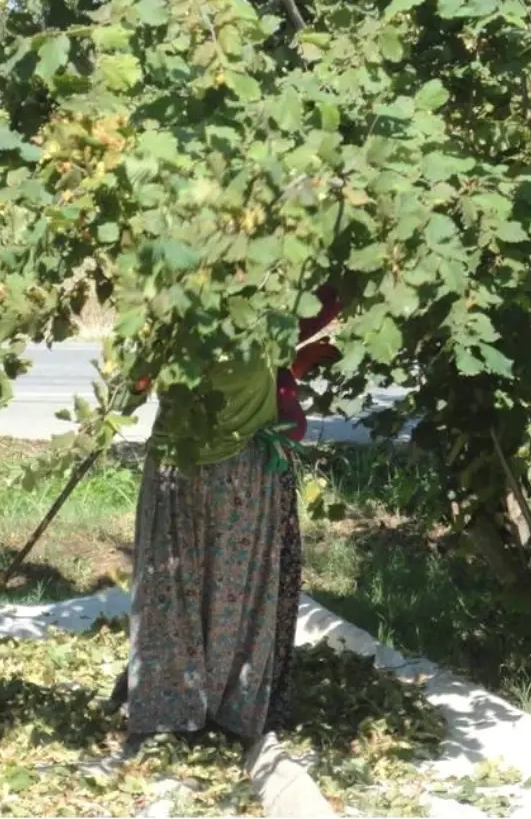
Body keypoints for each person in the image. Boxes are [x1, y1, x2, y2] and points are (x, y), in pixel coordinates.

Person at [111, 286, 340, 747]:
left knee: (170, 591)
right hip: (241, 475)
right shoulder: (269, 318)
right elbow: (328, 301)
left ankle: (169, 708)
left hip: (178, 471)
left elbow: (128, 395)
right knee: (235, 593)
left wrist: (137, 382)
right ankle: (228, 707)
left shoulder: (170, 315)